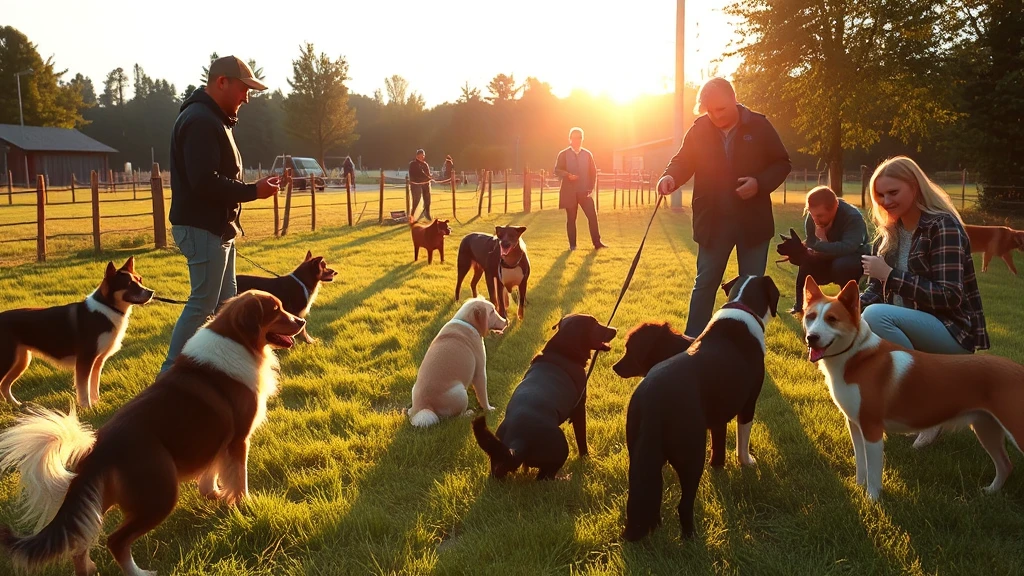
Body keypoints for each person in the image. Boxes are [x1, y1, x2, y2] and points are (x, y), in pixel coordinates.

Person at [859, 155, 989, 448]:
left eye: (894, 192)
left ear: (915, 188)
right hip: (908, 327)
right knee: (867, 315)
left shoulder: (943, 227)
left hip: (952, 332)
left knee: (877, 317)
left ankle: (930, 406)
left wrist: (891, 276)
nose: (886, 200)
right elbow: (875, 293)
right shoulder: (890, 233)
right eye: (880, 195)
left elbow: (950, 295)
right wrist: (842, 308)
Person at [161, 56, 280, 372]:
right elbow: (204, 181)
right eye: (244, 89)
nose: (247, 97)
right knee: (203, 304)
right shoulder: (201, 120)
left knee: (226, 306)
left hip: (216, 227)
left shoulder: (212, 119)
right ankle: (170, 377)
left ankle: (223, 369)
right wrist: (253, 191)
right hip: (202, 226)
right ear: (222, 82)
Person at [657, 77, 791, 338]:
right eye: (709, 110)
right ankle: (692, 341)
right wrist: (669, 176)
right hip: (713, 222)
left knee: (751, 285)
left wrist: (759, 183)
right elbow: (682, 161)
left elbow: (782, 163)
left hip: (753, 222)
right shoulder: (698, 130)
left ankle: (747, 340)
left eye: (721, 109)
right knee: (705, 283)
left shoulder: (760, 125)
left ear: (734, 100)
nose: (716, 116)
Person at [790, 185, 870, 314]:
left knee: (842, 265)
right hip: (826, 257)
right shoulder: (813, 216)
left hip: (854, 257)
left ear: (835, 207)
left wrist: (816, 245)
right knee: (805, 264)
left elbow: (849, 247)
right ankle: (800, 305)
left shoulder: (853, 217)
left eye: (820, 216)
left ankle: (849, 306)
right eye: (812, 215)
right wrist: (804, 252)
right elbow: (812, 243)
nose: (815, 220)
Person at [554, 127, 607, 250]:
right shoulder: (563, 154)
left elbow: (593, 173)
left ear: (582, 139)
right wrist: (568, 175)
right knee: (571, 219)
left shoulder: (587, 154)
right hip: (569, 192)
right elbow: (557, 170)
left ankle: (597, 243)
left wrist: (590, 188)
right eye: (574, 138)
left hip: (584, 192)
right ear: (570, 139)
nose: (577, 140)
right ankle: (572, 245)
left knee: (592, 217)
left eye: (579, 138)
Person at [409, 149, 432, 220]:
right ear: (417, 156)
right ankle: (412, 215)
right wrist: (427, 177)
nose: (422, 157)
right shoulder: (413, 164)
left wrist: (429, 178)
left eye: (423, 156)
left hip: (425, 184)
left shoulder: (425, 165)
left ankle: (427, 213)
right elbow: (417, 173)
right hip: (416, 184)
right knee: (416, 199)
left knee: (427, 199)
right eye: (420, 156)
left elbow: (427, 174)